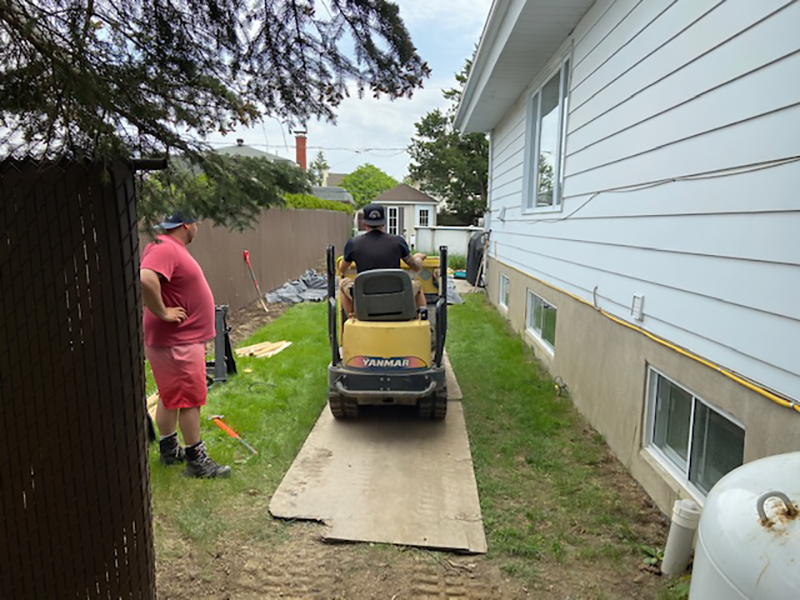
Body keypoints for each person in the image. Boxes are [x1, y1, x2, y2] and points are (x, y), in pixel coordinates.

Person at [140, 212, 231, 479]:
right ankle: (196, 460)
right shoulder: (164, 246)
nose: (197, 228)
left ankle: (169, 450)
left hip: (174, 340)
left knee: (170, 397)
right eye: (196, 223)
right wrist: (163, 312)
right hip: (178, 339)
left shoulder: (165, 246)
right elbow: (146, 278)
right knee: (190, 399)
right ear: (186, 225)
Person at [338, 203, 427, 318]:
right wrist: (418, 257)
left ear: (364, 224)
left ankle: (353, 318)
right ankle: (422, 322)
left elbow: (342, 270)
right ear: (384, 223)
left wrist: (350, 259)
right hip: (396, 297)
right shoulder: (397, 242)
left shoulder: (353, 244)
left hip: (365, 298)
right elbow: (416, 266)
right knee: (417, 285)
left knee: (342, 284)